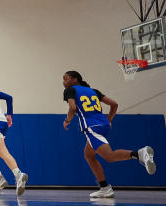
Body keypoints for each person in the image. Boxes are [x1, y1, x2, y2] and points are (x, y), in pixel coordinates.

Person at [62, 70, 155, 198]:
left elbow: (73, 108)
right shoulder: (93, 91)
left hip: (91, 127)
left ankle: (139, 154)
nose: (64, 82)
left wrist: (67, 120)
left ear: (75, 79)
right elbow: (114, 104)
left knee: (109, 156)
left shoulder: (70, 90)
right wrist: (110, 118)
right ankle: (104, 187)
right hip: (103, 125)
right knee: (89, 155)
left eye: (66, 79)